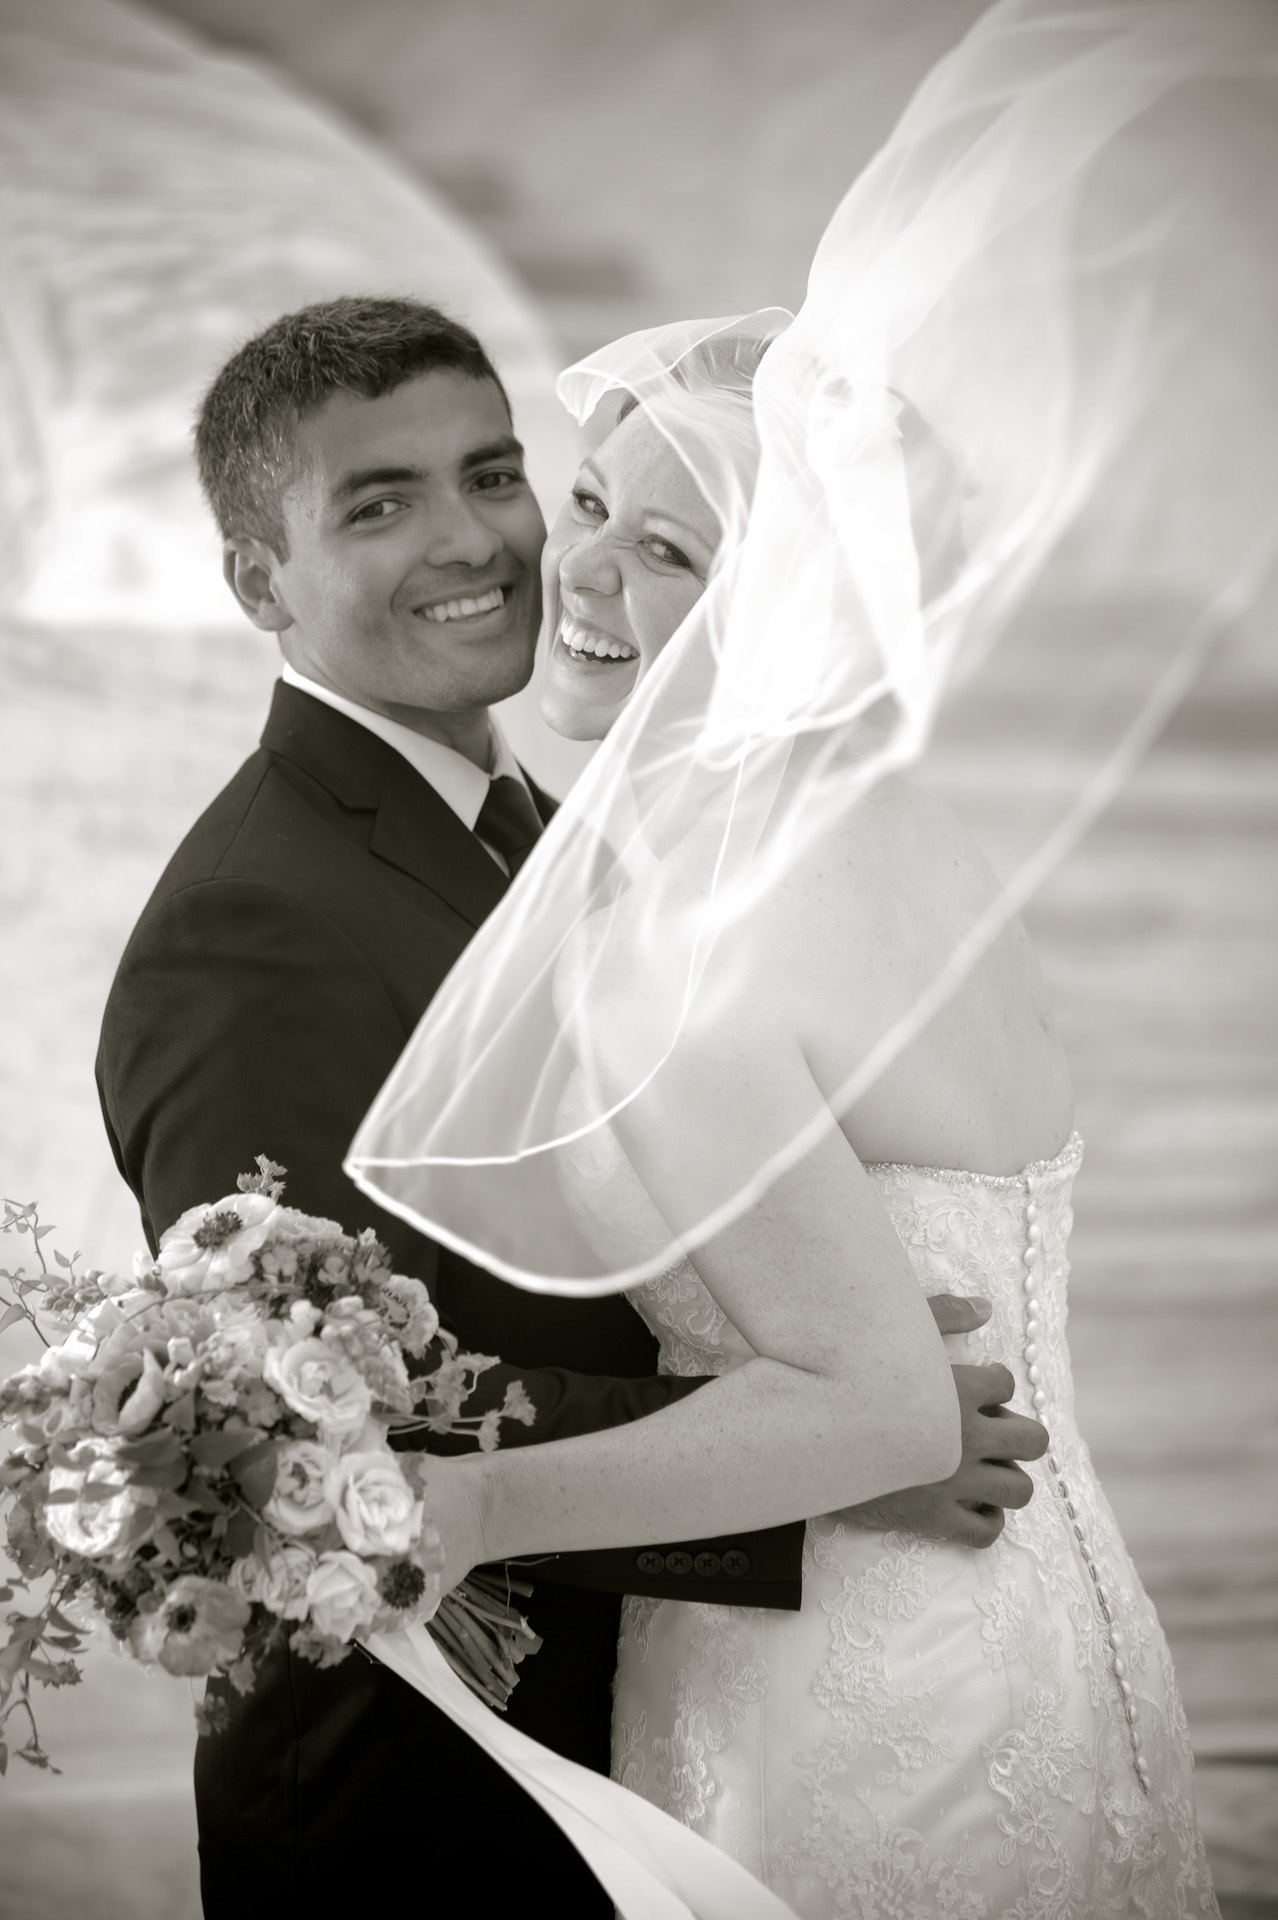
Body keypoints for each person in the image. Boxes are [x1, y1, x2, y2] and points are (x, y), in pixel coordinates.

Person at [348, 3, 1278, 1908]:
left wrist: (457, 1508)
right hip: (1055, 1618)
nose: (579, 585)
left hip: (858, 1693)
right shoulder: (908, 840)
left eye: (671, 554)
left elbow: (875, 1410)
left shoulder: (698, 933)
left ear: (788, 599)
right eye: (590, 506)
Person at [95, 295, 1046, 1919]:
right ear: (260, 581)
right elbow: (315, 1424)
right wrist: (828, 1460)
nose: (477, 542)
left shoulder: (555, 834)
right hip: (424, 1796)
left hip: (648, 1753)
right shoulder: (253, 922)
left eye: (495, 473)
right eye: (377, 504)